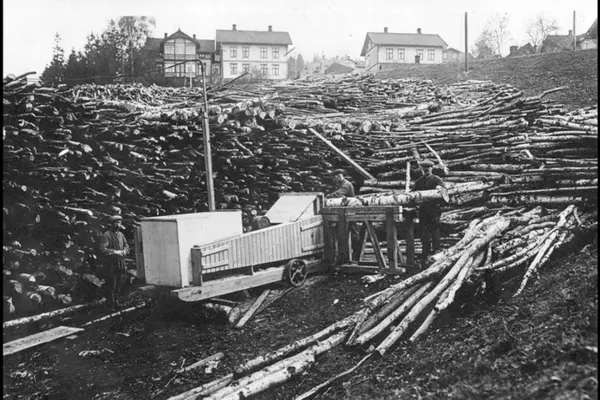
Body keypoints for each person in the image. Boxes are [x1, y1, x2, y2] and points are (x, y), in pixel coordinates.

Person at [413, 160, 446, 268]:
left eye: (428, 168)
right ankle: (425, 253)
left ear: (432, 168)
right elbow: (413, 192)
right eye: (424, 168)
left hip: (434, 210)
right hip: (423, 211)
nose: (426, 170)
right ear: (422, 169)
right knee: (424, 233)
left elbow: (445, 193)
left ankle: (436, 251)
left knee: (435, 231)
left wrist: (440, 189)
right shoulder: (420, 181)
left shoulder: (436, 179)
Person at [326, 169, 361, 262]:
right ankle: (343, 257)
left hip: (350, 211)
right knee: (342, 233)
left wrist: (326, 197)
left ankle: (357, 255)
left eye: (336, 177)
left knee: (354, 233)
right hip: (342, 213)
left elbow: (338, 194)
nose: (335, 179)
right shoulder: (338, 184)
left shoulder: (346, 184)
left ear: (340, 176)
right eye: (334, 177)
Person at [99, 215, 130, 308]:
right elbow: (103, 249)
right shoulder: (107, 235)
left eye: (119, 222)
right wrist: (115, 252)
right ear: (112, 224)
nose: (118, 225)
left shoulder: (121, 235)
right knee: (111, 285)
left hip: (120, 264)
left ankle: (116, 303)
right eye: (116, 223)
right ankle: (110, 305)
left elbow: (126, 246)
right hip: (111, 265)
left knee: (119, 284)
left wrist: (124, 251)